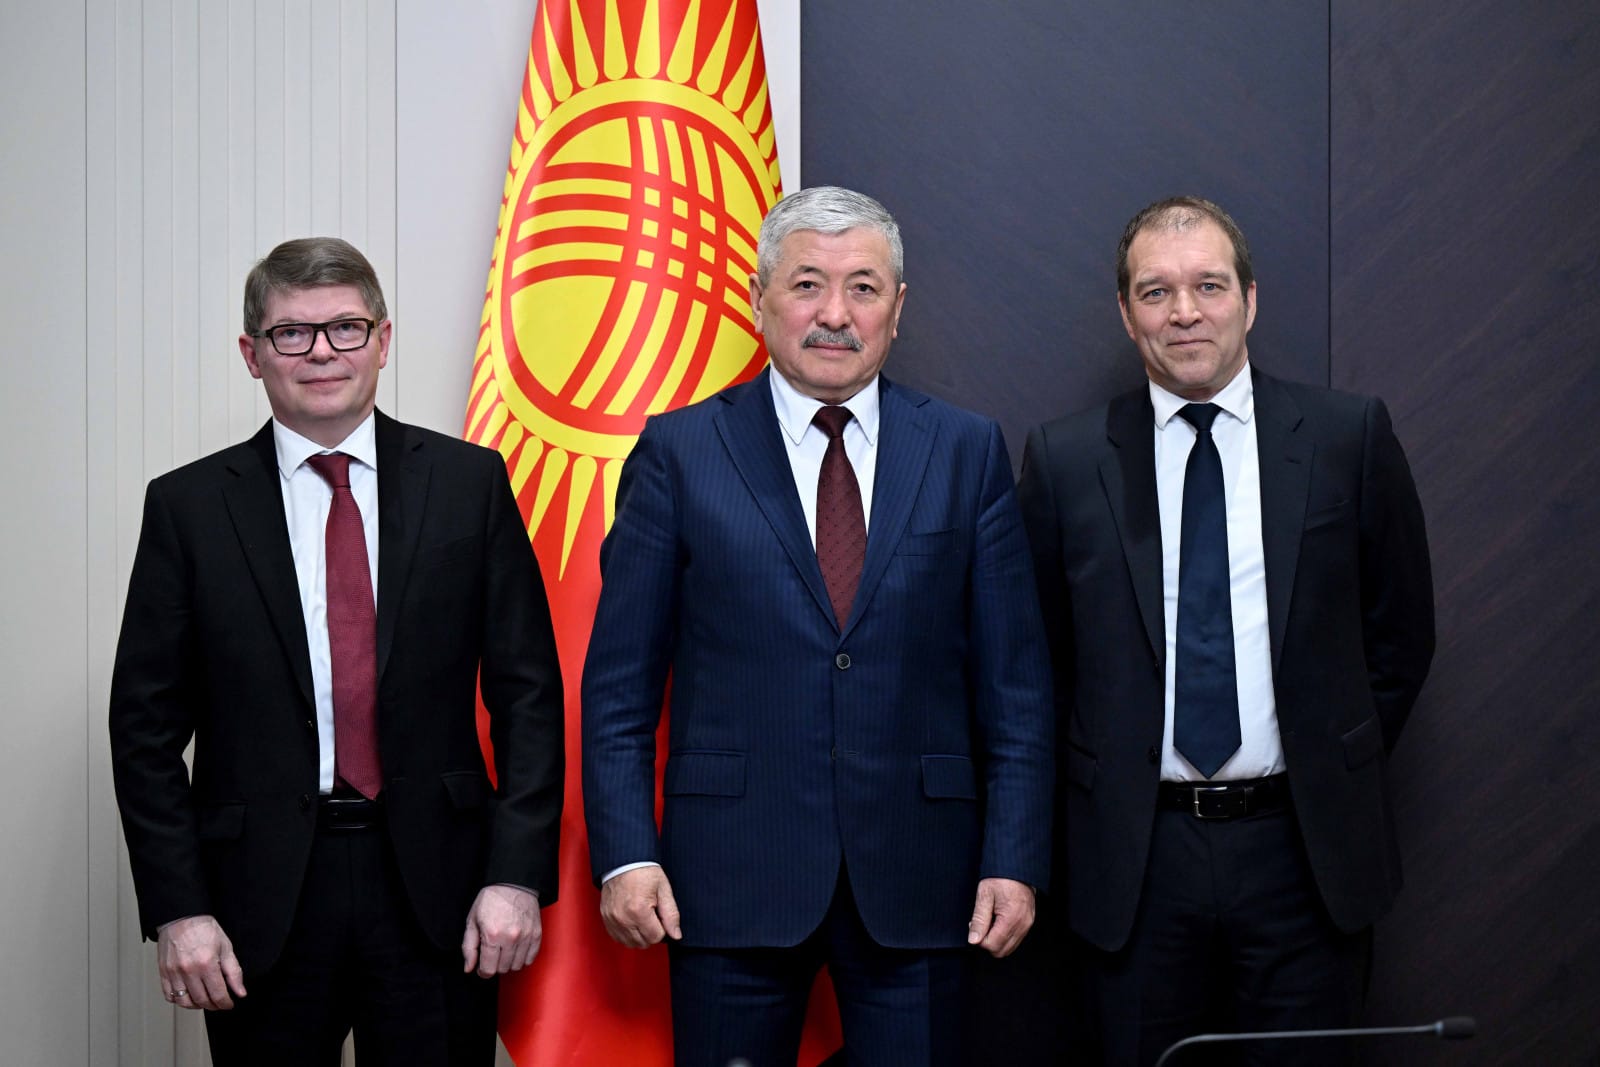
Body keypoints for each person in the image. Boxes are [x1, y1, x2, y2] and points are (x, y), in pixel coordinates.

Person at [581, 186, 1054, 1066]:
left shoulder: (965, 450)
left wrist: (1014, 856)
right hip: (728, 878)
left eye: (863, 288)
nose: (835, 314)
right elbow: (618, 688)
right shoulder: (679, 452)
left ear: (897, 309)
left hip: (923, 880)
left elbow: (1016, 689)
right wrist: (624, 854)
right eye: (807, 284)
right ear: (759, 297)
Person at [108, 237, 564, 1065]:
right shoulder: (189, 507)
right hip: (257, 903)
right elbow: (143, 730)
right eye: (292, 332)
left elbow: (529, 695)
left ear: (382, 340)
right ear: (252, 353)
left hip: (440, 891)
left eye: (346, 327)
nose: (321, 351)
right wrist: (179, 906)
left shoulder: (469, 483)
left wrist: (515, 875)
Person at [1017, 197, 1435, 1065]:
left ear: (1250, 298)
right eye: (1156, 291)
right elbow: (1036, 661)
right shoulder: (1065, 460)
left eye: (1208, 285)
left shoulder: (1345, 437)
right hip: (1136, 860)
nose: (1185, 311)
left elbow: (1401, 633)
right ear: (1125, 313)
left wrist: (1328, 759)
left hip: (1303, 852)